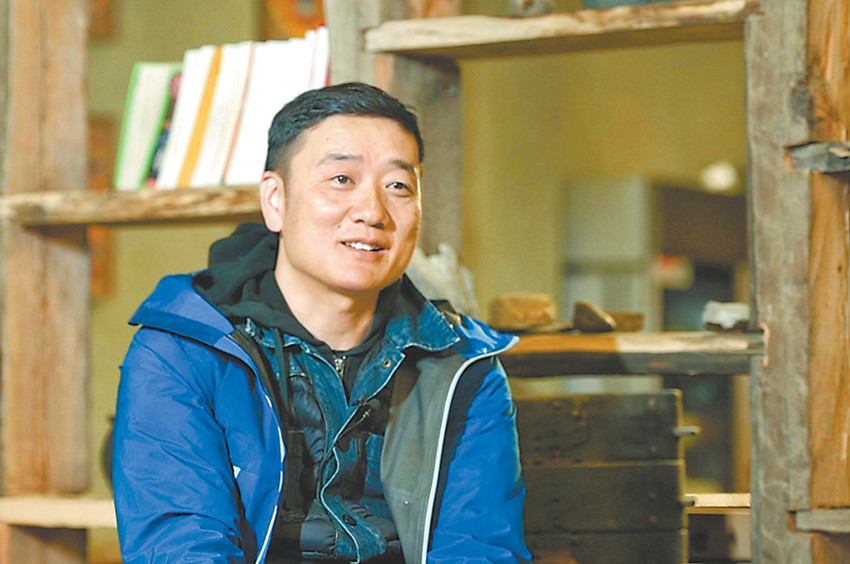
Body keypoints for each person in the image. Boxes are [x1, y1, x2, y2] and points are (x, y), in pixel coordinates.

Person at [112, 82, 532, 563]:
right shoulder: (182, 350)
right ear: (276, 200)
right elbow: (180, 547)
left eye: (398, 186)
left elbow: (480, 546)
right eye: (342, 179)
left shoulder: (463, 366)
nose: (372, 212)